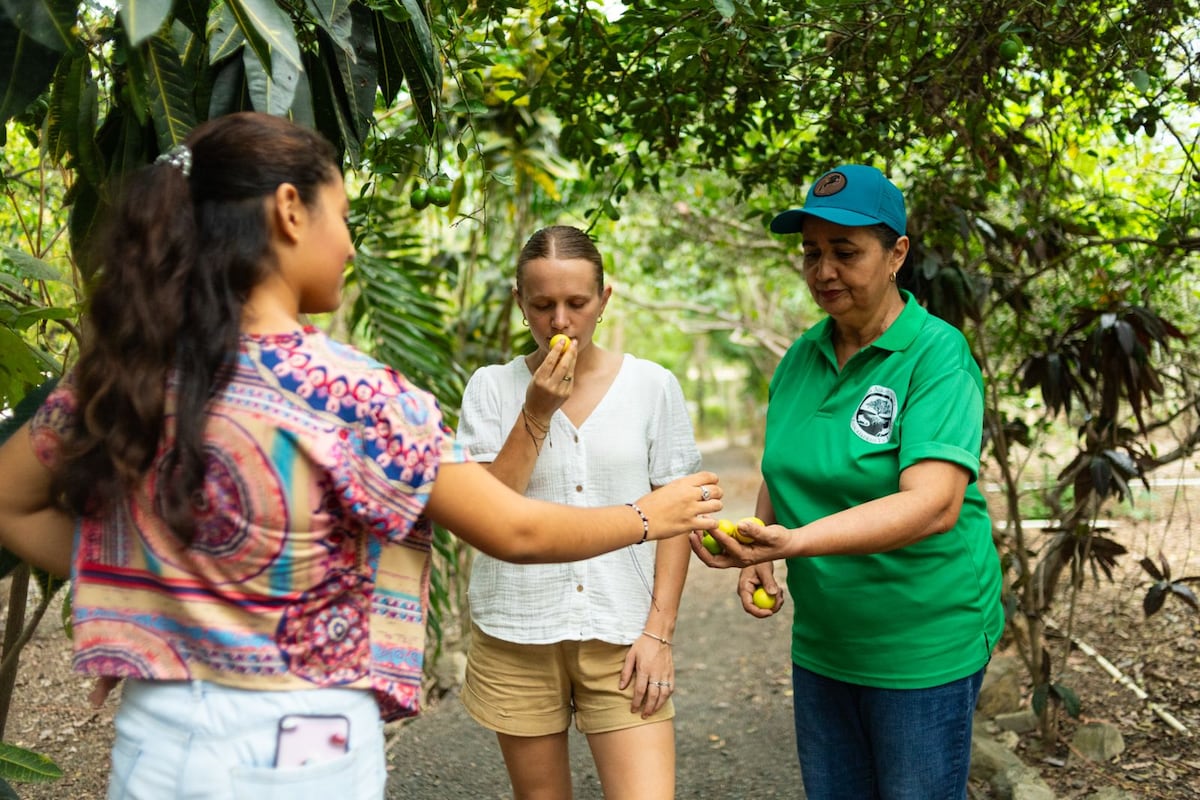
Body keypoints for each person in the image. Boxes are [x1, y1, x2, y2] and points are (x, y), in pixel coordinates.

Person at [0, 112, 725, 800]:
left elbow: (11, 503)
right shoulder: (352, 395)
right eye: (343, 216)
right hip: (303, 745)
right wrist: (647, 515)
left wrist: (168, 584)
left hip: (156, 742)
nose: (349, 246)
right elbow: (514, 529)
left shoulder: (123, 373)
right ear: (291, 212)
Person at [691, 164, 1004, 800]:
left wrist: (795, 542)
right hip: (825, 643)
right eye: (812, 253)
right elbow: (785, 469)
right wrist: (758, 546)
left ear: (897, 254)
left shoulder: (936, 355)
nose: (824, 271)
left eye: (845, 251)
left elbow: (933, 505)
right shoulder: (800, 358)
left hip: (922, 643)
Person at [453, 225, 699, 800]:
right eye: (542, 305)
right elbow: (487, 515)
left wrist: (659, 633)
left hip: (624, 633)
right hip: (517, 631)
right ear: (520, 303)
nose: (560, 322)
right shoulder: (491, 388)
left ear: (604, 300)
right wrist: (536, 412)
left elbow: (677, 516)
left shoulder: (652, 386)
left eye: (577, 303)